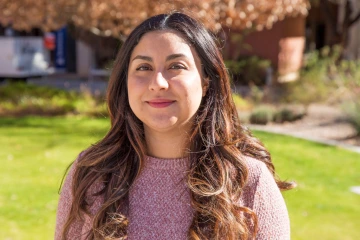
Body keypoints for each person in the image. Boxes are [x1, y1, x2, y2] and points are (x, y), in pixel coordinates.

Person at [55, 12, 294, 240]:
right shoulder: (90, 175)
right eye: (143, 68)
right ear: (125, 82)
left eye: (176, 66)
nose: (158, 83)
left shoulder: (250, 182)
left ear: (206, 82)